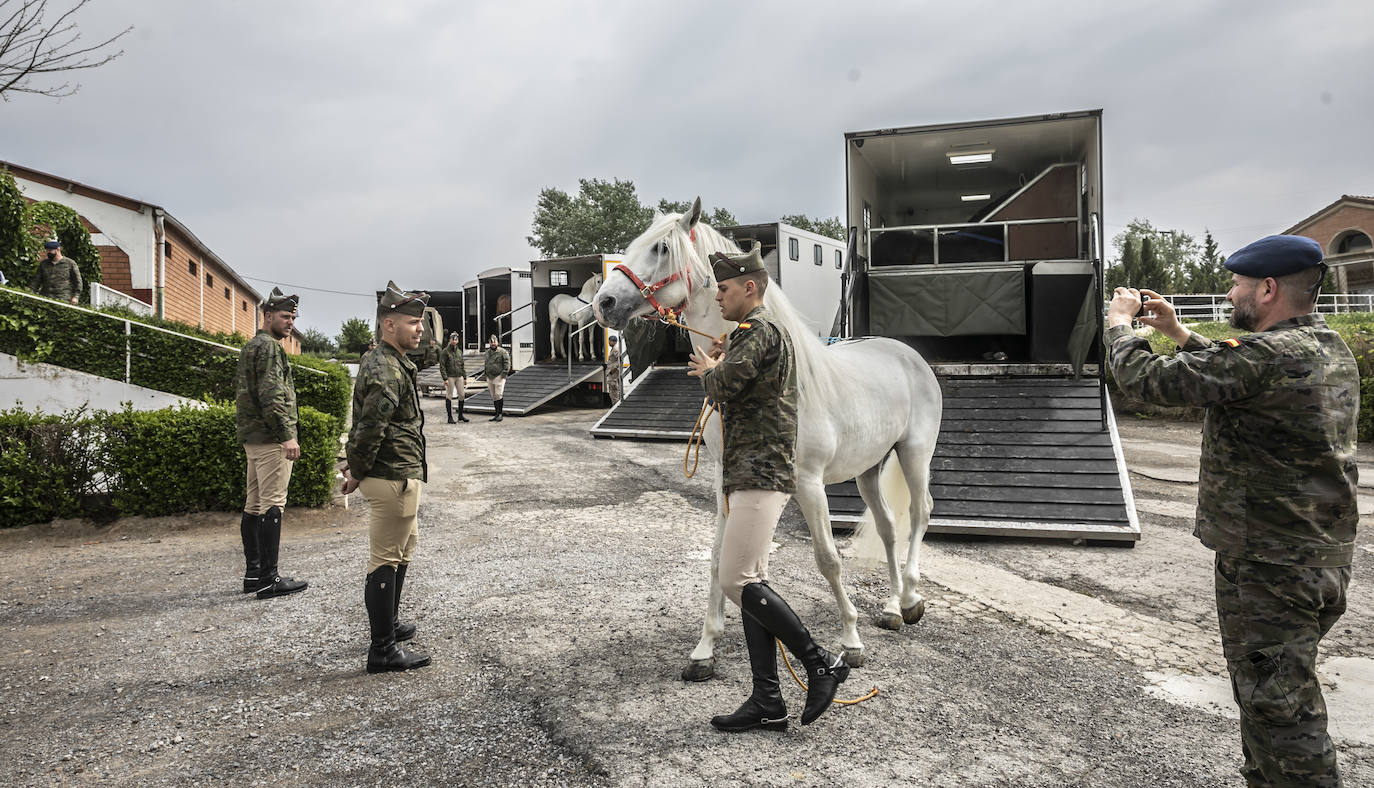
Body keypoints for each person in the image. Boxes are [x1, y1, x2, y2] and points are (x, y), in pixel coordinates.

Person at [1106, 235, 1358, 787]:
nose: (1229, 291)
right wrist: (1175, 331)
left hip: (1271, 566)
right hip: (1313, 558)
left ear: (1267, 289)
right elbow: (1233, 371)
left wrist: (1120, 326)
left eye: (1238, 284)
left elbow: (1144, 380)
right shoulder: (1324, 346)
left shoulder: (1268, 358)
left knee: (1283, 713)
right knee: (1270, 699)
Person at [686, 243, 850, 732]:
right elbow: (735, 383)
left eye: (725, 288)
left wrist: (709, 370)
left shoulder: (759, 330)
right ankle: (767, 701)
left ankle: (820, 663)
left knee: (735, 580)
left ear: (749, 288)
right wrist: (721, 360)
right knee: (747, 582)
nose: (718, 296)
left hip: (761, 471)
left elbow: (721, 389)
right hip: (746, 471)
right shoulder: (745, 335)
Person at [341, 281, 432, 674]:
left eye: (422, 323)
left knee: (401, 552)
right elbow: (369, 428)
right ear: (388, 324)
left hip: (399, 471)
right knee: (385, 560)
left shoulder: (391, 362)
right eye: (413, 323)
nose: (420, 329)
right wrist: (356, 470)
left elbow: (366, 423)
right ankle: (382, 649)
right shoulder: (384, 367)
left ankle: (390, 626)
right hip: (390, 474)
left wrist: (355, 465)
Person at [234, 287, 309, 599]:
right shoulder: (269, 348)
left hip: (254, 438)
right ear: (267, 316)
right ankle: (269, 577)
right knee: (273, 506)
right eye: (284, 316)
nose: (290, 322)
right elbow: (271, 396)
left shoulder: (253, 345)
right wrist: (286, 435)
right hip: (270, 440)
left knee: (254, 506)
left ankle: (254, 574)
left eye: (293, 317)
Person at [30, 240, 82, 304]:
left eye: (50, 250)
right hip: (46, 298)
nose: (48, 252)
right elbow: (36, 281)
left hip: (63, 299)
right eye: (47, 250)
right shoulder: (44, 264)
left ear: (58, 249)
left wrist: (76, 297)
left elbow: (78, 282)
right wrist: (31, 294)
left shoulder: (70, 263)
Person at [439, 331, 469, 423]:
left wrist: (464, 377)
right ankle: (449, 417)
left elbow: (462, 364)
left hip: (459, 375)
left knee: (462, 395)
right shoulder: (445, 351)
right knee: (449, 396)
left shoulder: (459, 352)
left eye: (456, 339)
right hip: (450, 376)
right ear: (450, 340)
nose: (454, 341)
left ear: (458, 341)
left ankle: (460, 415)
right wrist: (445, 378)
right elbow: (442, 365)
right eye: (453, 339)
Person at [483, 334, 511, 422]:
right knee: (494, 396)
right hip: (490, 376)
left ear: (497, 342)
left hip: (498, 376)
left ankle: (500, 414)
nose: (493, 344)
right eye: (491, 342)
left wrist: (503, 375)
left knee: (499, 394)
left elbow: (507, 364)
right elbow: (486, 363)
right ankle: (496, 413)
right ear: (489, 343)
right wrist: (486, 373)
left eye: (494, 342)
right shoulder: (487, 352)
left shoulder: (503, 352)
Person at [604, 335, 623, 404]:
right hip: (612, 373)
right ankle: (615, 403)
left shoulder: (615, 350)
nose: (609, 343)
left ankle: (615, 404)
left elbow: (619, 360)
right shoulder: (613, 349)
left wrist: (613, 369)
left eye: (610, 341)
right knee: (612, 390)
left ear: (613, 342)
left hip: (614, 374)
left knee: (614, 390)